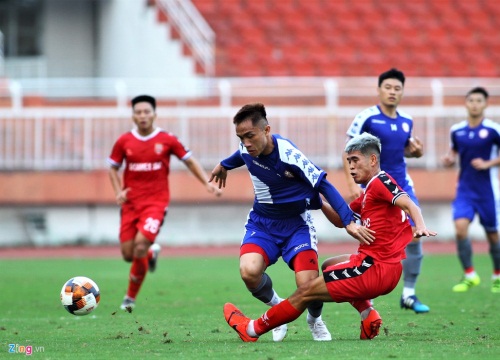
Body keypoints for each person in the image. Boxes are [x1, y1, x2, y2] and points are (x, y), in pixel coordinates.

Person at [224, 132, 437, 342]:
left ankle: (252, 329)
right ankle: (367, 314)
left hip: (374, 269)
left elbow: (408, 202)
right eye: (348, 161)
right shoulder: (369, 194)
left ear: (373, 159)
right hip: (382, 267)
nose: (351, 167)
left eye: (355, 160)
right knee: (328, 265)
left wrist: (420, 225)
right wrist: (319, 201)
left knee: (306, 292)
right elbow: (340, 219)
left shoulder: (381, 181)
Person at [210, 103, 374, 342]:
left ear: (267, 131)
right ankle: (277, 308)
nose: (245, 142)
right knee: (249, 272)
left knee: (309, 285)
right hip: (262, 223)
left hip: (297, 225)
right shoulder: (247, 148)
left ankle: (315, 320)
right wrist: (224, 164)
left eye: (250, 136)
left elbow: (323, 184)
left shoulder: (289, 155)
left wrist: (348, 221)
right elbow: (240, 155)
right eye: (241, 137)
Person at [108, 94, 221, 311]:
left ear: (154, 114)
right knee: (127, 254)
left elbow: (189, 160)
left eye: (146, 112)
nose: (142, 116)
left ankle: (129, 299)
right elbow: (112, 167)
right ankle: (151, 254)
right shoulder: (124, 141)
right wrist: (118, 191)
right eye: (138, 112)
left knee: (140, 245)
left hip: (156, 203)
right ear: (133, 116)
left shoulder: (167, 139)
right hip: (130, 204)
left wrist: (206, 183)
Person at [341, 68, 429, 313]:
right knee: (374, 238)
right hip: (371, 188)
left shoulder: (406, 120)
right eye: (388, 87)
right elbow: (348, 151)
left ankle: (409, 294)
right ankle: (367, 286)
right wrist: (351, 186)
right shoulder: (366, 117)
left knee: (414, 235)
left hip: (401, 185)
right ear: (379, 90)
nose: (392, 92)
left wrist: (417, 152)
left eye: (397, 88)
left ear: (402, 92)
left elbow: (402, 150)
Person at [442, 87, 500, 293]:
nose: (475, 104)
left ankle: (497, 276)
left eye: (479, 101)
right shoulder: (457, 131)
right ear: (466, 103)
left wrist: (488, 163)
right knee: (460, 229)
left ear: (485, 104)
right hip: (465, 190)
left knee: (493, 235)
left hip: (488, 191)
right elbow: (453, 153)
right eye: (471, 100)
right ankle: (469, 275)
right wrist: (448, 160)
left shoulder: (493, 130)